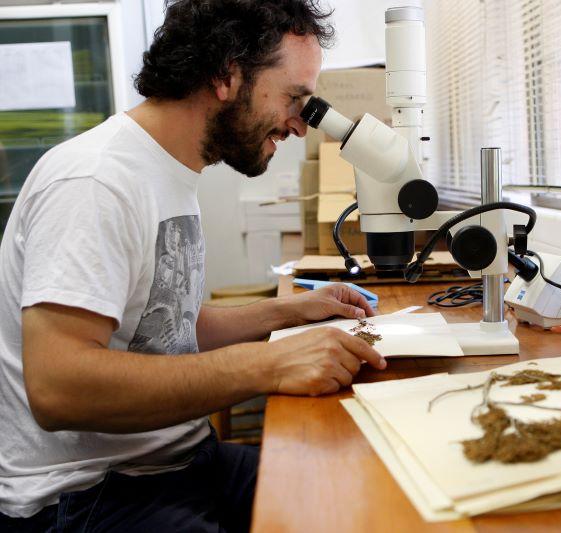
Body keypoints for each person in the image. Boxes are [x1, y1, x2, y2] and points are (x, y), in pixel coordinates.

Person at [0, 1, 386, 530]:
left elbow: (163, 324)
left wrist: (291, 312)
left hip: (177, 459)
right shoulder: (95, 181)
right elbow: (58, 386)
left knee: (354, 495)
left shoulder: (169, 168)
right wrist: (268, 365)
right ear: (227, 74)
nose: (300, 124)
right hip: (86, 494)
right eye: (295, 98)